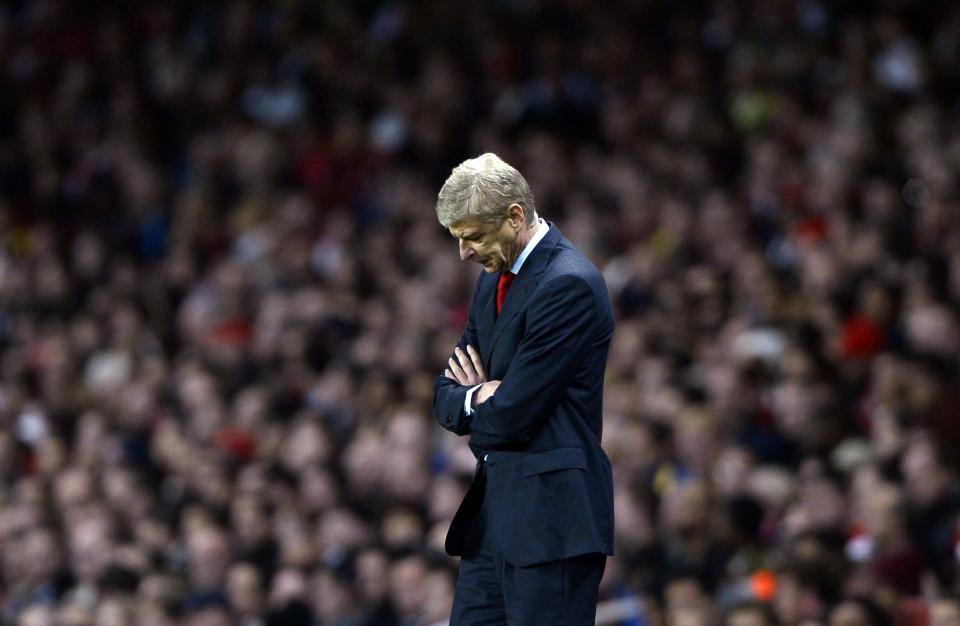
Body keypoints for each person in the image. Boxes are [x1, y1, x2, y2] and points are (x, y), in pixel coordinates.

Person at [433, 153, 615, 624]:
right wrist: (477, 396)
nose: (464, 253)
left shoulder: (568, 283)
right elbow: (445, 392)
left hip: (552, 523)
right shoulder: (492, 279)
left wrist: (486, 405)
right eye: (458, 239)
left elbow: (514, 414)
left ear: (515, 215)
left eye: (473, 236)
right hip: (493, 521)